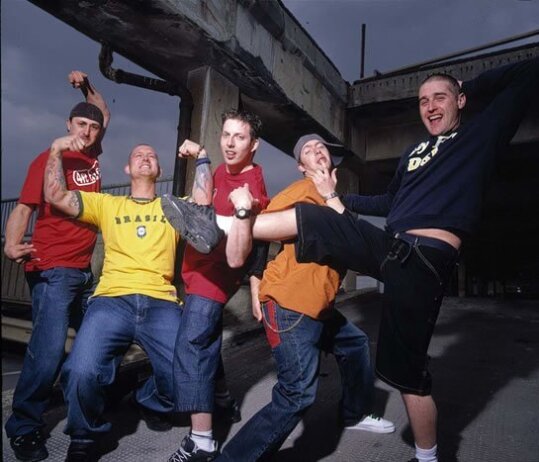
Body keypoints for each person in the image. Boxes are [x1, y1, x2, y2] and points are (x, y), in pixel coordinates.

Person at [166, 57, 539, 462]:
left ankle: (414, 450)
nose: (430, 106)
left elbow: (527, 72)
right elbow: (389, 201)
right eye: (423, 100)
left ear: (459, 101)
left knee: (400, 371)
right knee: (317, 221)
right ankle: (218, 223)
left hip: (425, 257)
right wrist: (328, 204)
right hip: (370, 261)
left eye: (440, 98)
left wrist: (465, 86)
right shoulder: (410, 153)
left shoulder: (477, 136)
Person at [213, 134, 395, 462]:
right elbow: (256, 229)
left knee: (354, 345)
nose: (316, 151)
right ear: (301, 166)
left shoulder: (336, 199)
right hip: (290, 304)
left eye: (320, 147)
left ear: (331, 159)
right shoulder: (301, 190)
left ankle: (354, 413)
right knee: (296, 395)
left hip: (317, 305)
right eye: (307, 151)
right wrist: (255, 282)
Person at [42, 138, 225, 462]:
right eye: (138, 155)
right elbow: (55, 195)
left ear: (159, 169)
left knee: (187, 379)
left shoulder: (172, 205)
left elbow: (203, 202)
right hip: (112, 300)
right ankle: (84, 437)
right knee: (81, 371)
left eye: (151, 155)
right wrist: (56, 150)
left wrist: (202, 156)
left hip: (161, 301)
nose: (145, 157)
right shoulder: (107, 204)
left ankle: (146, 398)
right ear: (128, 168)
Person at [4, 70, 110, 462]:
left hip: (83, 271)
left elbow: (102, 111)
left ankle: (87, 397)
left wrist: (86, 86)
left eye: (92, 127)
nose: (87, 131)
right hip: (52, 269)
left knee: (101, 338)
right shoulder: (47, 159)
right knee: (47, 352)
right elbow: (24, 207)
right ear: (68, 125)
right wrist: (11, 243)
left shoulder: (92, 155)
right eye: (80, 125)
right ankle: (24, 427)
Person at [161, 109, 270, 462]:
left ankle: (202, 441)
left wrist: (243, 211)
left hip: (214, 278)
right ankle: (222, 399)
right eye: (226, 135)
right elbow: (203, 202)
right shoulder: (223, 170)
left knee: (191, 345)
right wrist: (204, 157)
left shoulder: (251, 187)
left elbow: (242, 254)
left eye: (240, 137)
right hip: (197, 273)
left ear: (254, 144)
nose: (231, 143)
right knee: (206, 341)